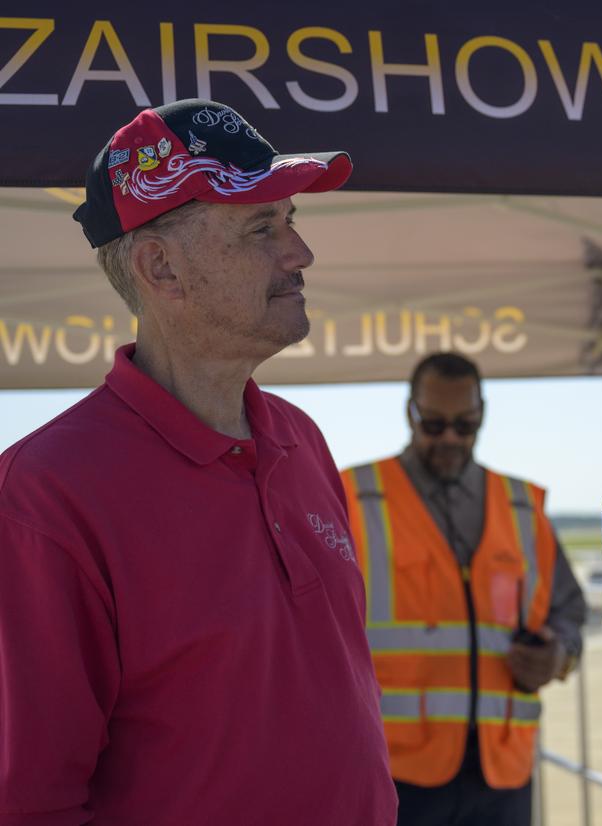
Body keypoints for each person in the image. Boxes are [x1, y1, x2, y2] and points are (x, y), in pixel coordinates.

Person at [0, 99, 396, 824]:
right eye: (260, 229)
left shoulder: (301, 439)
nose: (300, 254)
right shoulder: (45, 492)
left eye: (292, 223)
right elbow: (29, 800)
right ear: (162, 268)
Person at [342, 351, 587, 826]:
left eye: (465, 424)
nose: (450, 438)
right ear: (409, 412)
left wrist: (558, 655)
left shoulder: (521, 507)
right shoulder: (352, 497)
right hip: (394, 770)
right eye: (433, 425)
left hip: (502, 774)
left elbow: (569, 610)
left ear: (483, 415)